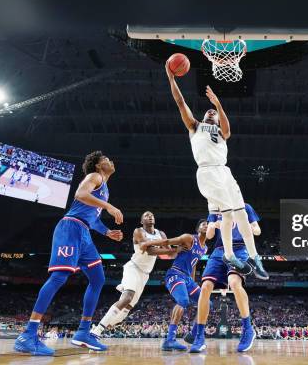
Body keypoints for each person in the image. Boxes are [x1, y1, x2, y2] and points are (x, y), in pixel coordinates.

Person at [165, 61, 268, 280]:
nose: (211, 112)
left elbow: (228, 129)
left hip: (224, 172)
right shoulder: (195, 126)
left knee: (240, 211)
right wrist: (171, 78)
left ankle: (254, 256)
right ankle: (229, 254)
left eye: (214, 112)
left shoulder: (222, 132)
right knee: (229, 212)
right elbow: (180, 101)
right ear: (203, 118)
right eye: (209, 111)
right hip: (207, 172)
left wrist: (218, 104)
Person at [14, 151, 124, 356]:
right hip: (70, 228)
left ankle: (83, 332)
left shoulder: (104, 187)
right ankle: (28, 335)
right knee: (59, 277)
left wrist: (107, 232)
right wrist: (109, 206)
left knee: (98, 278)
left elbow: (92, 218)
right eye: (106, 159)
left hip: (84, 233)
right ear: (99, 166)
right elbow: (80, 195)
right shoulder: (95, 177)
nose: (110, 160)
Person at [188, 203, 261, 353]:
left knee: (234, 282)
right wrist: (213, 225)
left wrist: (251, 228)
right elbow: (209, 236)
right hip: (219, 251)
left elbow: (257, 230)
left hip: (240, 249)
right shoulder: (215, 209)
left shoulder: (245, 207)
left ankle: (248, 329)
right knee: (206, 286)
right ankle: (199, 336)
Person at [91, 211, 178, 338]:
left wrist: (180, 250)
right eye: (146, 216)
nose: (150, 216)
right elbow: (150, 250)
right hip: (133, 268)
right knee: (127, 297)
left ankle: (102, 326)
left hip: (145, 274)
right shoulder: (139, 231)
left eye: (152, 215)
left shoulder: (161, 234)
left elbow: (169, 254)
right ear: (142, 221)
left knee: (128, 307)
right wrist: (173, 249)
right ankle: (97, 330)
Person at [140, 219, 208, 350]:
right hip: (175, 274)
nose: (206, 226)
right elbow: (167, 242)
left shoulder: (204, 248)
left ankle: (193, 335)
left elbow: (193, 264)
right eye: (203, 224)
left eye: (208, 225)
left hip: (187, 279)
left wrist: (192, 281)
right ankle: (169, 340)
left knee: (207, 303)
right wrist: (148, 243)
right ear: (198, 228)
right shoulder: (189, 238)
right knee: (183, 300)